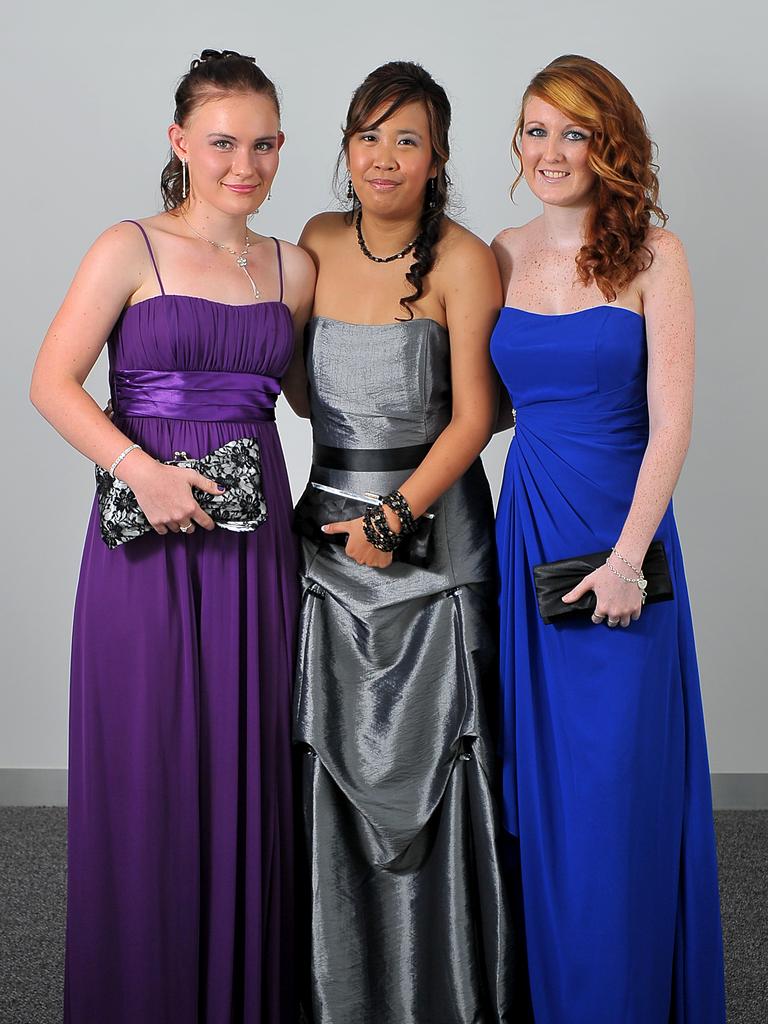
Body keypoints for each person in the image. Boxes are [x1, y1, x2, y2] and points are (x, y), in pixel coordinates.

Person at [30, 49, 315, 1023]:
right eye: (226, 141)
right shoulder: (129, 248)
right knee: (150, 773)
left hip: (255, 551)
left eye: (265, 142)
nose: (248, 163)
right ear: (181, 142)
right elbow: (51, 383)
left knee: (252, 769)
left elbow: (326, 400)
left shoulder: (296, 266)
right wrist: (138, 470)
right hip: (145, 550)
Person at [490, 54, 726, 1023]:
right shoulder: (495, 252)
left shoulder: (655, 255)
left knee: (616, 792)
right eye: (537, 129)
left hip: (622, 535)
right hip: (527, 529)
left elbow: (671, 421)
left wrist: (629, 557)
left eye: (574, 132)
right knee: (542, 795)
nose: (552, 151)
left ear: (609, 144)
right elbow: (483, 408)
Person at [293, 61, 516, 1024]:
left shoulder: (466, 258)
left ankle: (454, 993)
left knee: (445, 766)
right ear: (345, 148)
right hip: (326, 542)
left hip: (432, 544)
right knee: (328, 762)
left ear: (439, 158)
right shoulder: (313, 240)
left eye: (407, 139)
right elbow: (298, 386)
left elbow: (475, 419)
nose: (384, 157)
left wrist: (394, 515)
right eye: (369, 135)